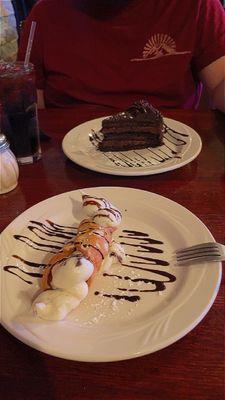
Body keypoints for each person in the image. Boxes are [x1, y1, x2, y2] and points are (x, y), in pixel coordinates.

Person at [18, 0, 225, 113]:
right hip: (68, 167)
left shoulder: (196, 5)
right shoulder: (44, 15)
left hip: (173, 155)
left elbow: (220, 85)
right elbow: (29, 112)